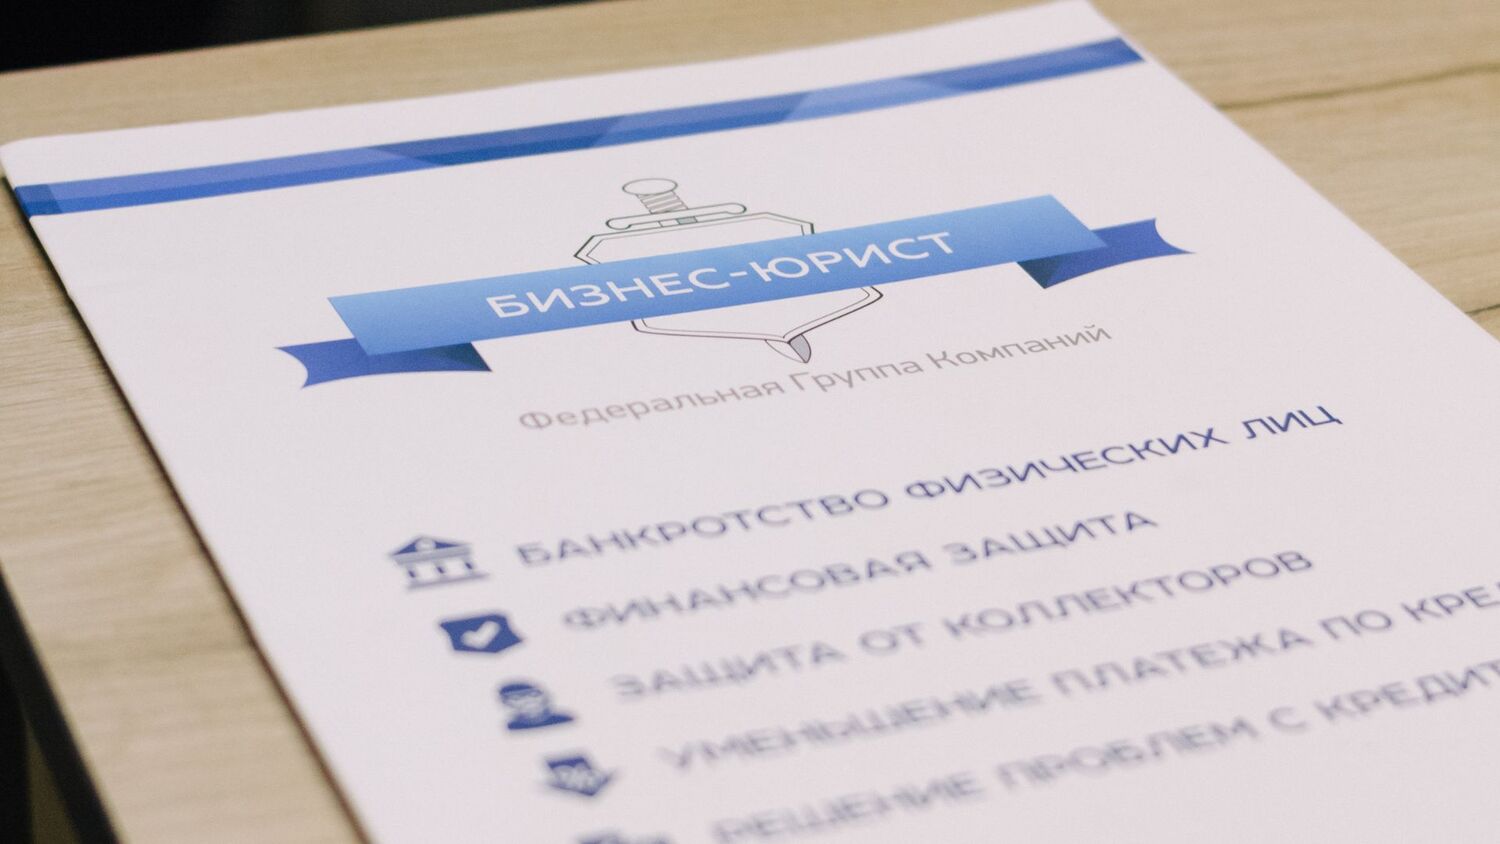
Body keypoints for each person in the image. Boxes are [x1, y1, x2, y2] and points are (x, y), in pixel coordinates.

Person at [498, 681, 574, 731]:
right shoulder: (513, 727)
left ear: (546, 697)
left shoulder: (564, 719)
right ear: (505, 703)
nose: (528, 701)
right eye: (516, 698)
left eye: (533, 695)